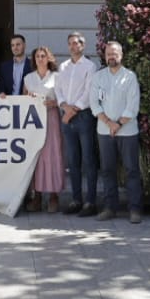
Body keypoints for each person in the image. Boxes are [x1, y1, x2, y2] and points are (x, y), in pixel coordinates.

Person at [90, 40, 143, 224]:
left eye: (115, 53)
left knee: (132, 171)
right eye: (108, 53)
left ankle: (135, 209)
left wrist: (117, 124)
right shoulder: (98, 77)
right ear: (105, 56)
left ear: (121, 55)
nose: (111, 56)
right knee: (107, 170)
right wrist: (108, 123)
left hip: (127, 132)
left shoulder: (130, 77)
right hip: (104, 132)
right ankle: (110, 208)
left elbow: (132, 106)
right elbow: (94, 104)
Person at [55, 31, 99, 217]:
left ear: (83, 45)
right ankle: (76, 200)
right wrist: (64, 106)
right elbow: (58, 90)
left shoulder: (90, 66)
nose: (74, 46)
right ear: (68, 46)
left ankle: (90, 202)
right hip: (67, 117)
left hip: (84, 116)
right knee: (72, 161)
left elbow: (89, 92)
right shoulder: (63, 67)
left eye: (77, 43)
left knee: (88, 160)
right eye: (71, 43)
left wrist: (73, 110)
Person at [24, 46, 65, 212]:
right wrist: (29, 98)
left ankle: (54, 196)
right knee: (37, 156)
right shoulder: (28, 78)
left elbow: (63, 98)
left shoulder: (57, 77)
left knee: (54, 155)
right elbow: (23, 100)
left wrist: (54, 103)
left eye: (43, 56)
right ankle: (38, 196)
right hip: (34, 121)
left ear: (48, 58)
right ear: (34, 60)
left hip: (52, 118)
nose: (40, 59)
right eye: (37, 56)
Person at [0, 34, 31, 107]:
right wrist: (2, 93)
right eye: (12, 45)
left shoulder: (33, 65)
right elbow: (1, 87)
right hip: (9, 105)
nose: (15, 48)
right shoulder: (4, 67)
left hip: (27, 105)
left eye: (18, 44)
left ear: (24, 45)